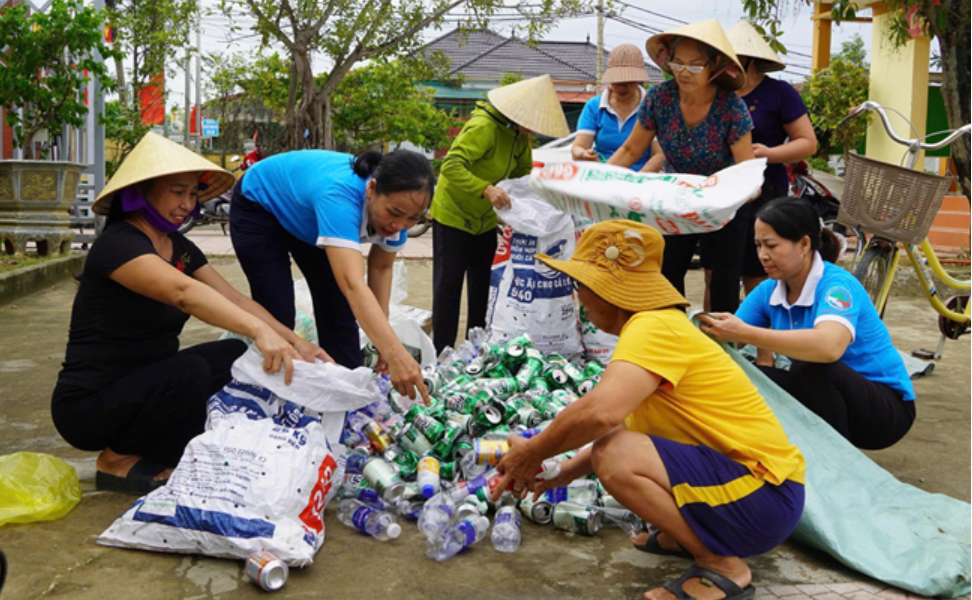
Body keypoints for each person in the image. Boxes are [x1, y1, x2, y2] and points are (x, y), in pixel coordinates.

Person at [492, 220, 805, 600]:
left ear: (606, 291)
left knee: (617, 456)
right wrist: (559, 473)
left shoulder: (652, 326)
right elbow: (618, 425)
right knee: (619, 446)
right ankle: (685, 536)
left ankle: (721, 564)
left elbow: (600, 415)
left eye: (581, 288)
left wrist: (533, 451)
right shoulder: (656, 328)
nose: (580, 300)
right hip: (762, 496)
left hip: (763, 499)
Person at [52, 132, 325, 496]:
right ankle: (115, 461)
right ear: (140, 193)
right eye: (176, 192)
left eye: (193, 194)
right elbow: (184, 294)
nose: (186, 204)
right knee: (191, 371)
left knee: (233, 353)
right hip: (90, 406)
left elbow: (234, 299)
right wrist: (260, 332)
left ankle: (161, 449)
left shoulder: (178, 246)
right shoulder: (119, 244)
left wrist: (295, 343)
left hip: (148, 388)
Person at [699, 198, 916, 450]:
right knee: (743, 376)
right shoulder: (768, 290)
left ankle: (836, 464)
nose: (762, 256)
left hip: (884, 412)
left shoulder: (836, 287)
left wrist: (746, 333)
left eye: (771, 245)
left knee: (812, 366)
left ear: (804, 244)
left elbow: (828, 348)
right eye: (758, 245)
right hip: (832, 399)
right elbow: (717, 338)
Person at [230, 148, 434, 402]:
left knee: (338, 309)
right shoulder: (339, 196)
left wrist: (384, 340)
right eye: (393, 213)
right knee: (278, 309)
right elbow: (353, 284)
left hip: (308, 216)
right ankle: (276, 395)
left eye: (412, 218)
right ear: (371, 189)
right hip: (260, 203)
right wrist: (394, 353)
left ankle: (346, 394)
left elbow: (380, 268)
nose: (398, 226)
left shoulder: (401, 213)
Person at [606, 19, 755, 313]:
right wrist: (598, 179)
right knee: (667, 272)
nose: (685, 72)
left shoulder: (731, 107)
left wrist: (743, 190)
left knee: (722, 279)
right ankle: (671, 337)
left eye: (696, 65)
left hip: (724, 203)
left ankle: (721, 346)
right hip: (677, 200)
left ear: (714, 66)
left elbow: (746, 168)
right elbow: (630, 148)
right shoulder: (661, 99)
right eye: (678, 63)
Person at [431, 74, 569, 354]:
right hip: (454, 215)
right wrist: (486, 189)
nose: (533, 131)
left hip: (484, 220)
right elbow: (451, 166)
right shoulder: (483, 127)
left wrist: (526, 206)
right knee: (449, 287)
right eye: (532, 125)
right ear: (518, 114)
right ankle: (441, 352)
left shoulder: (519, 137)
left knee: (483, 286)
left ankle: (475, 350)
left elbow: (521, 176)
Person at [726, 20, 817, 295]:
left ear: (749, 59)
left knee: (758, 269)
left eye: (733, 57)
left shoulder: (779, 93)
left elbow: (808, 142)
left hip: (766, 190)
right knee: (720, 270)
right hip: (723, 188)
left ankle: (761, 334)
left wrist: (769, 154)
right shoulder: (718, 95)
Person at [572, 44, 663, 171]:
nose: (621, 86)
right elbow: (579, 147)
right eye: (617, 80)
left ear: (638, 79)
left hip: (640, 178)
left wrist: (637, 182)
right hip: (602, 176)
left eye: (628, 81)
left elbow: (659, 155)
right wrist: (583, 154)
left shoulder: (652, 107)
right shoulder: (594, 106)